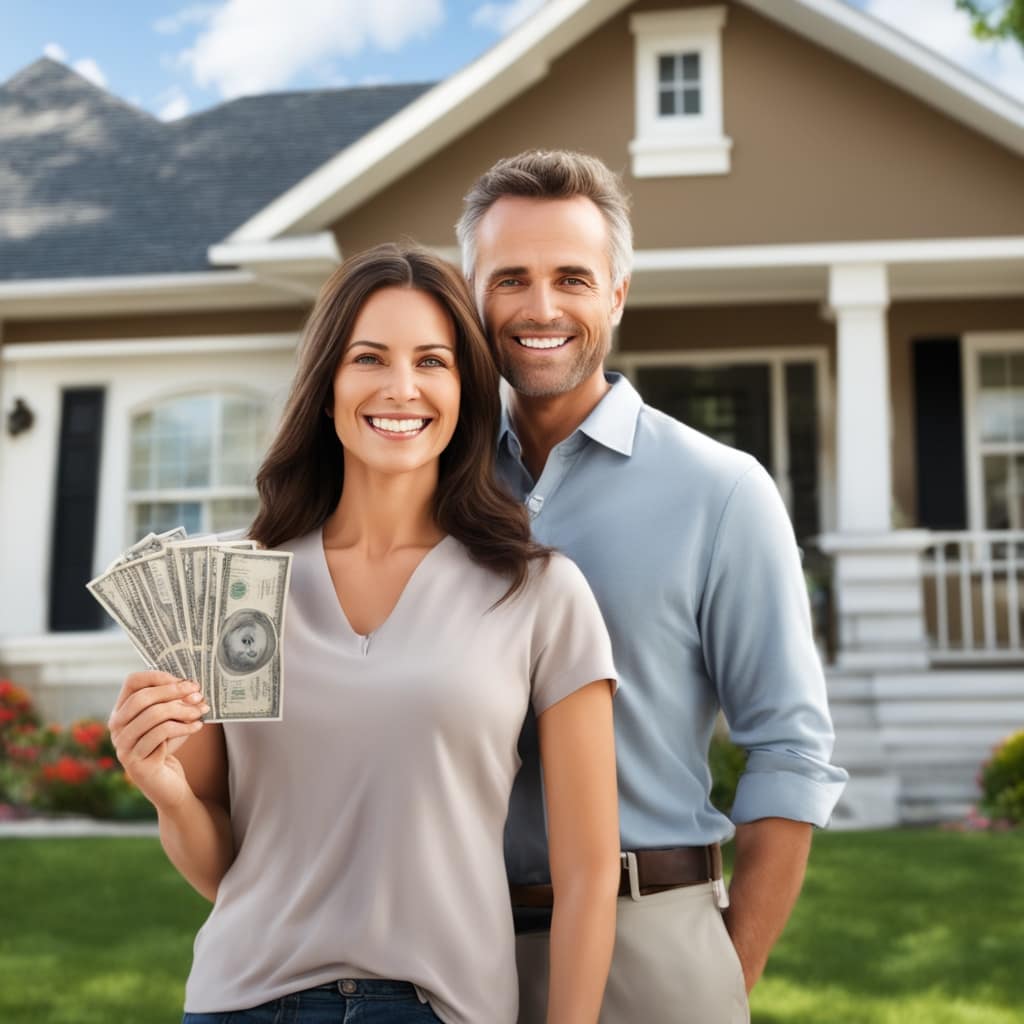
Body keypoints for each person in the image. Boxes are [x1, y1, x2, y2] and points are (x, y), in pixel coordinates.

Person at [107, 243, 621, 1024]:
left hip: (442, 1007)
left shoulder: (539, 591)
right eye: (369, 358)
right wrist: (166, 792)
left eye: (433, 362)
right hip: (246, 1001)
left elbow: (586, 875)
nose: (401, 388)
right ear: (328, 387)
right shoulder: (237, 587)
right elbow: (225, 871)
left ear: (466, 392)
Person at [455, 150, 849, 1024]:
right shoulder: (428, 489)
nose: (542, 307)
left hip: (656, 947)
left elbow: (789, 748)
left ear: (618, 294)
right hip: (448, 951)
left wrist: (723, 973)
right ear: (471, 295)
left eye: (572, 277)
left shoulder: (721, 490)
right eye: (511, 279)